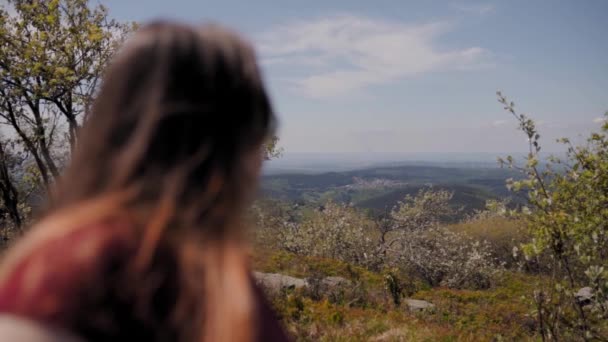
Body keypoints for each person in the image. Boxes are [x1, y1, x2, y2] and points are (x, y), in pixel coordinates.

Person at [0, 21, 289, 342]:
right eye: (261, 128)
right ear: (223, 143)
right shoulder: (88, 270)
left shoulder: (48, 265)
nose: (261, 156)